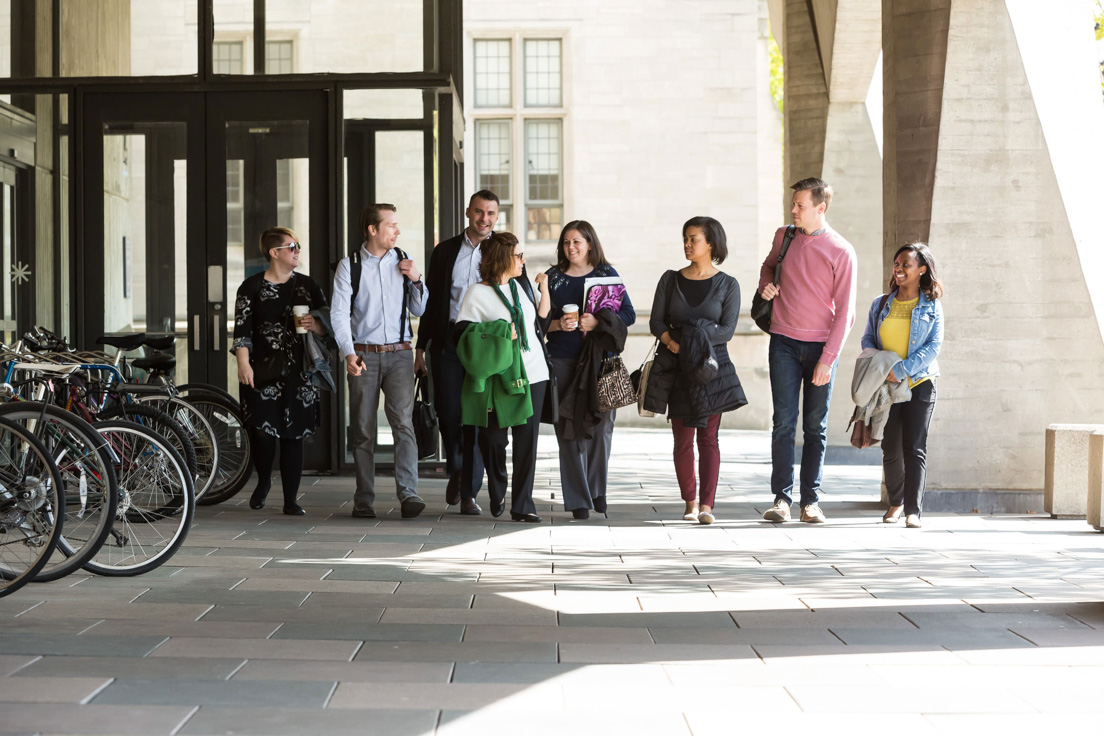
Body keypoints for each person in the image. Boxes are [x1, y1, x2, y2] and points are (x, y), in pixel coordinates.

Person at [758, 177, 857, 524]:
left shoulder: (841, 250)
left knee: (815, 426)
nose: (793, 210)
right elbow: (769, 266)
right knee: (783, 422)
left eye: (800, 205)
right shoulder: (783, 235)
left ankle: (810, 502)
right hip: (782, 341)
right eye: (793, 204)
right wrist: (766, 286)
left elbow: (846, 311)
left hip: (820, 347)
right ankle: (781, 499)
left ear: (821, 207)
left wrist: (828, 360)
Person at [647, 217, 747, 525]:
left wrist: (690, 340)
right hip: (675, 367)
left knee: (708, 438)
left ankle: (707, 505)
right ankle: (690, 502)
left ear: (711, 245)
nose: (687, 244)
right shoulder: (670, 279)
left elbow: (727, 330)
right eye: (686, 239)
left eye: (693, 239)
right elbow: (657, 322)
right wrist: (672, 343)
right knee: (682, 438)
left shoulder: (728, 284)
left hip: (710, 370)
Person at [331, 203, 428, 520]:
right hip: (363, 355)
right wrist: (348, 353)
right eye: (391, 225)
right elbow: (339, 315)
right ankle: (364, 499)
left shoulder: (403, 261)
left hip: (400, 353)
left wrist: (416, 279)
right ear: (373, 229)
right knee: (363, 429)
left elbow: (420, 309)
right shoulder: (350, 266)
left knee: (403, 424)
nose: (397, 231)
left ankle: (409, 494)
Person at [454, 231, 549, 523]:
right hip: (499, 380)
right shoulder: (476, 293)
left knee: (527, 442)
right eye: (518, 255)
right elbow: (462, 336)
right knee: (494, 440)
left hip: (533, 374)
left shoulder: (520, 287)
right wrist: (500, 331)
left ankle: (523, 504)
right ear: (502, 258)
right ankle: (498, 487)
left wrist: (546, 291)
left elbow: (538, 324)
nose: (523, 261)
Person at [232, 227, 328, 516]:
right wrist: (242, 362)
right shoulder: (250, 287)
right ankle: (263, 482)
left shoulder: (307, 286)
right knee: (261, 432)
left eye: (298, 245)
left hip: (300, 371)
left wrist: (316, 324)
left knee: (294, 435)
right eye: (292, 246)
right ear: (275, 253)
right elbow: (241, 330)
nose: (298, 250)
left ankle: (291, 499)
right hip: (261, 369)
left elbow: (328, 325)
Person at [415, 190, 500, 513]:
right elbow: (432, 301)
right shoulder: (446, 251)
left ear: (496, 216)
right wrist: (420, 348)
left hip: (485, 342)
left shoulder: (499, 250)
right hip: (449, 340)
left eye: (491, 213)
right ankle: (457, 466)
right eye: (479, 212)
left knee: (477, 416)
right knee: (449, 412)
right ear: (468, 213)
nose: (484, 219)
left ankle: (468, 489)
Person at [544, 221, 636, 519]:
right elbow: (537, 321)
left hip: (601, 363)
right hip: (562, 360)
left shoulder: (607, 275)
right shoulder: (551, 278)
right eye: (566, 242)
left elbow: (629, 315)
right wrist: (559, 324)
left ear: (590, 244)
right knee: (569, 431)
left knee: (601, 429)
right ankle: (578, 499)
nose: (571, 247)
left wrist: (598, 322)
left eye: (577, 242)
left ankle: (598, 492)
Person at [860, 243, 944, 528]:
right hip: (886, 385)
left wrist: (903, 369)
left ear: (921, 269)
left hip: (919, 382)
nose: (898, 268)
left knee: (914, 446)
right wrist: (885, 368)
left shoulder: (932, 306)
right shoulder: (881, 304)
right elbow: (868, 340)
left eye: (905, 264)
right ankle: (895, 501)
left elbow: (934, 346)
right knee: (890, 447)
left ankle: (913, 510)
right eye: (896, 263)